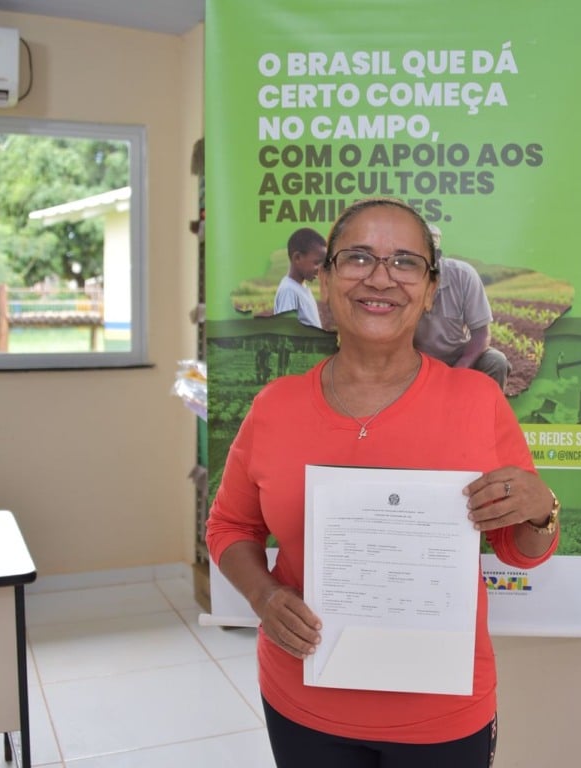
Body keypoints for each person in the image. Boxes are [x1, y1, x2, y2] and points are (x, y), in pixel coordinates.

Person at [207, 197, 560, 768]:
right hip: (304, 700)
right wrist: (264, 595)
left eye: (404, 262)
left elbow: (518, 548)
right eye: (358, 258)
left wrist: (541, 509)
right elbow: (229, 526)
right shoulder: (275, 407)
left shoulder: (478, 401)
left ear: (429, 288)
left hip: (443, 713)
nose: (380, 277)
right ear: (324, 279)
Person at [413, 224, 510, 391]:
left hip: (458, 356)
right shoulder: (399, 278)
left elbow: (481, 334)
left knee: (496, 362)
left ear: (438, 254)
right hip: (415, 360)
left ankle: (485, 415)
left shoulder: (463, 275)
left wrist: (459, 369)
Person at [274, 227, 327, 328]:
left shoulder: (301, 288)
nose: (320, 269)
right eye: (316, 262)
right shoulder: (289, 291)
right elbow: (286, 331)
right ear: (297, 258)